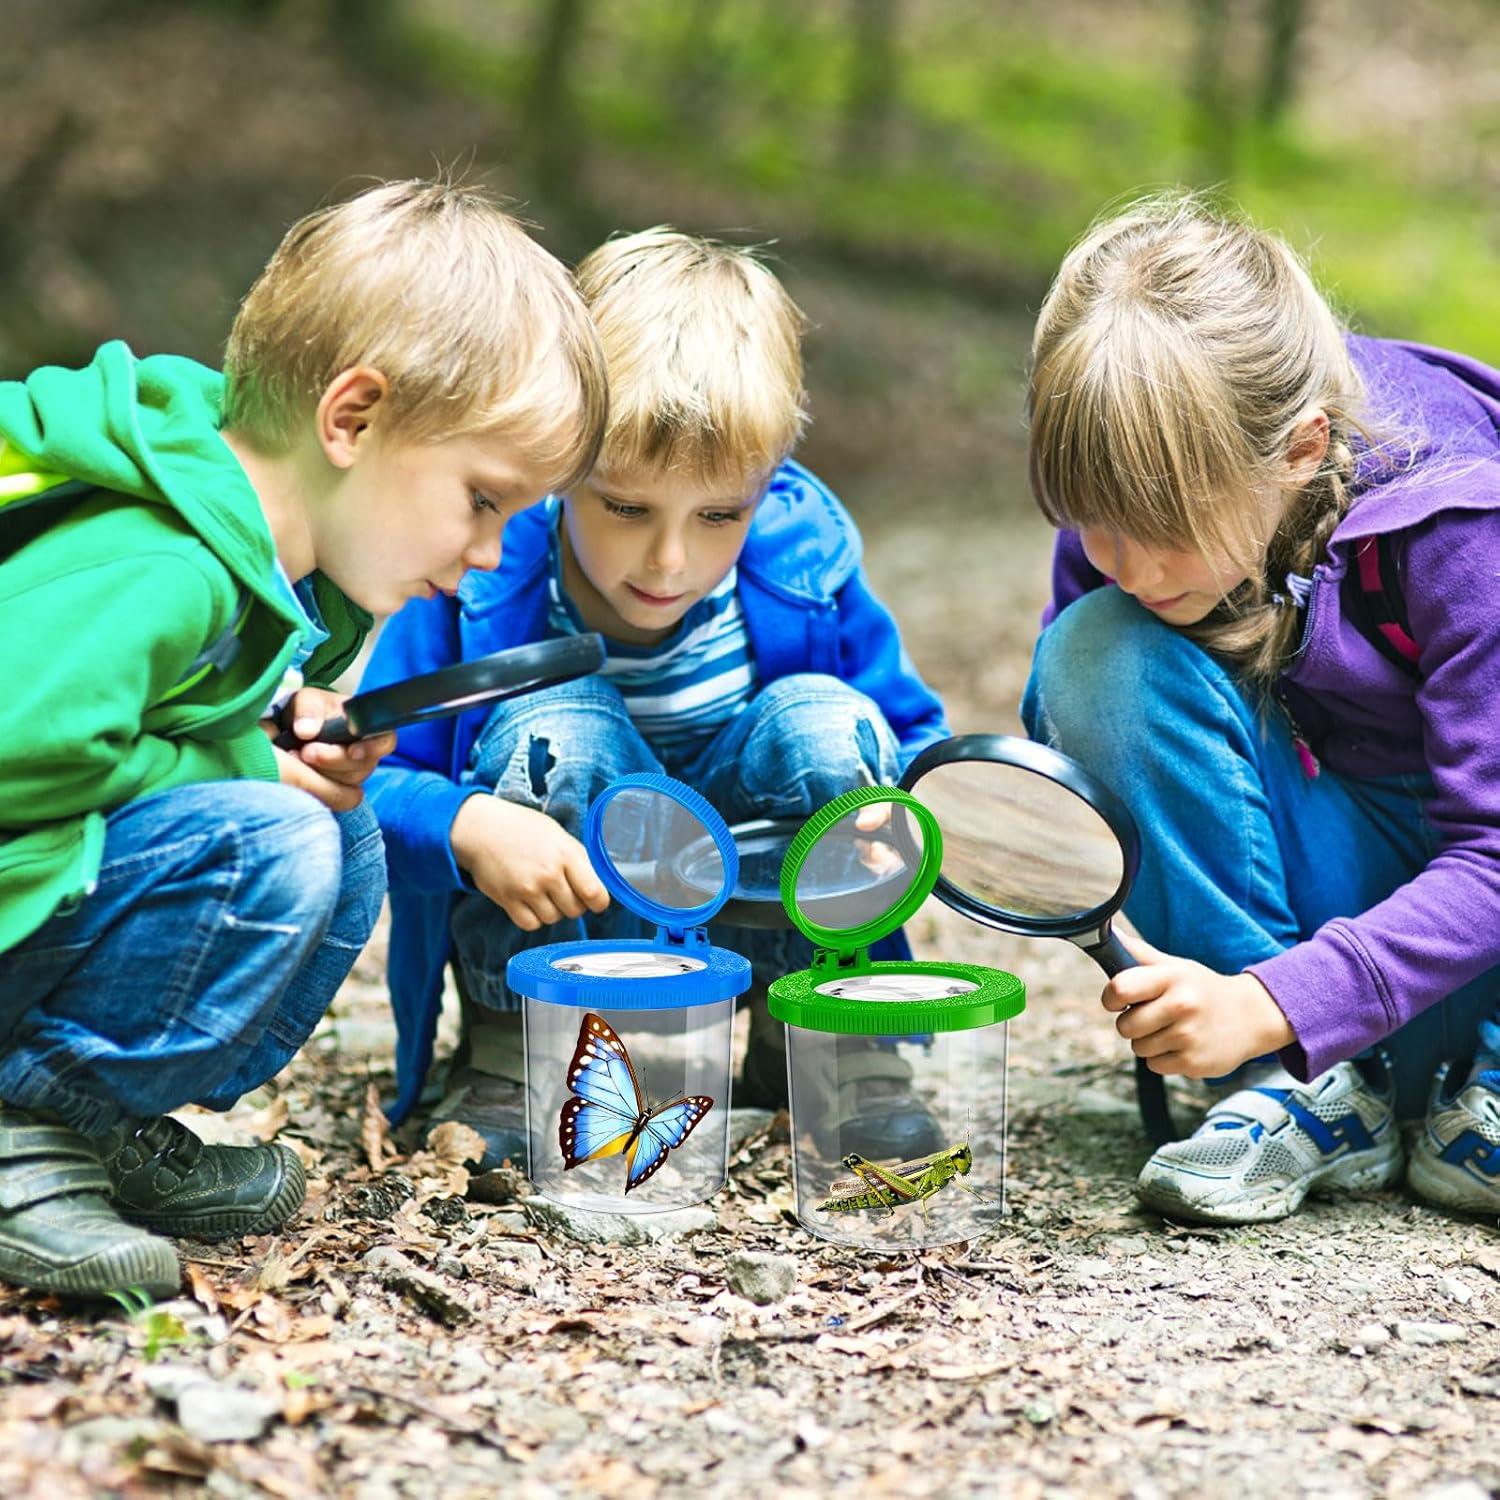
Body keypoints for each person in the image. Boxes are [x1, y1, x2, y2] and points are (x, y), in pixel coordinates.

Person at [0, 179, 607, 1297]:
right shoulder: (163, 562)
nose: (488, 552)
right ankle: (22, 1125)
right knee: (271, 841)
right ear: (353, 419)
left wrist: (275, 722)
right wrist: (241, 762)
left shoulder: (267, 574)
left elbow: (152, 723)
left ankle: (86, 1123)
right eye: (483, 499)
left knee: (342, 836)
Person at [364, 228, 949, 1168]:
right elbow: (372, 783)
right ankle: (523, 1051)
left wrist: (906, 819)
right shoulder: (483, 578)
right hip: (568, 930)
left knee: (826, 724)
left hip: (752, 913)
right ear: (559, 466)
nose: (671, 561)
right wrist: (469, 823)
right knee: (561, 723)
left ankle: (824, 1040)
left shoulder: (803, 566)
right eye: (626, 508)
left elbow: (911, 739)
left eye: (720, 514)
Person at [1022, 193, 1500, 1225]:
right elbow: (1097, 756)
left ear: (1300, 447)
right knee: (1096, 652)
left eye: (1167, 531)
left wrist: (1277, 1001)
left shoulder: (1462, 528)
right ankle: (1301, 1097)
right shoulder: (1131, 518)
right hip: (1329, 979)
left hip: (1469, 952)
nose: (1132, 565)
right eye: (1097, 523)